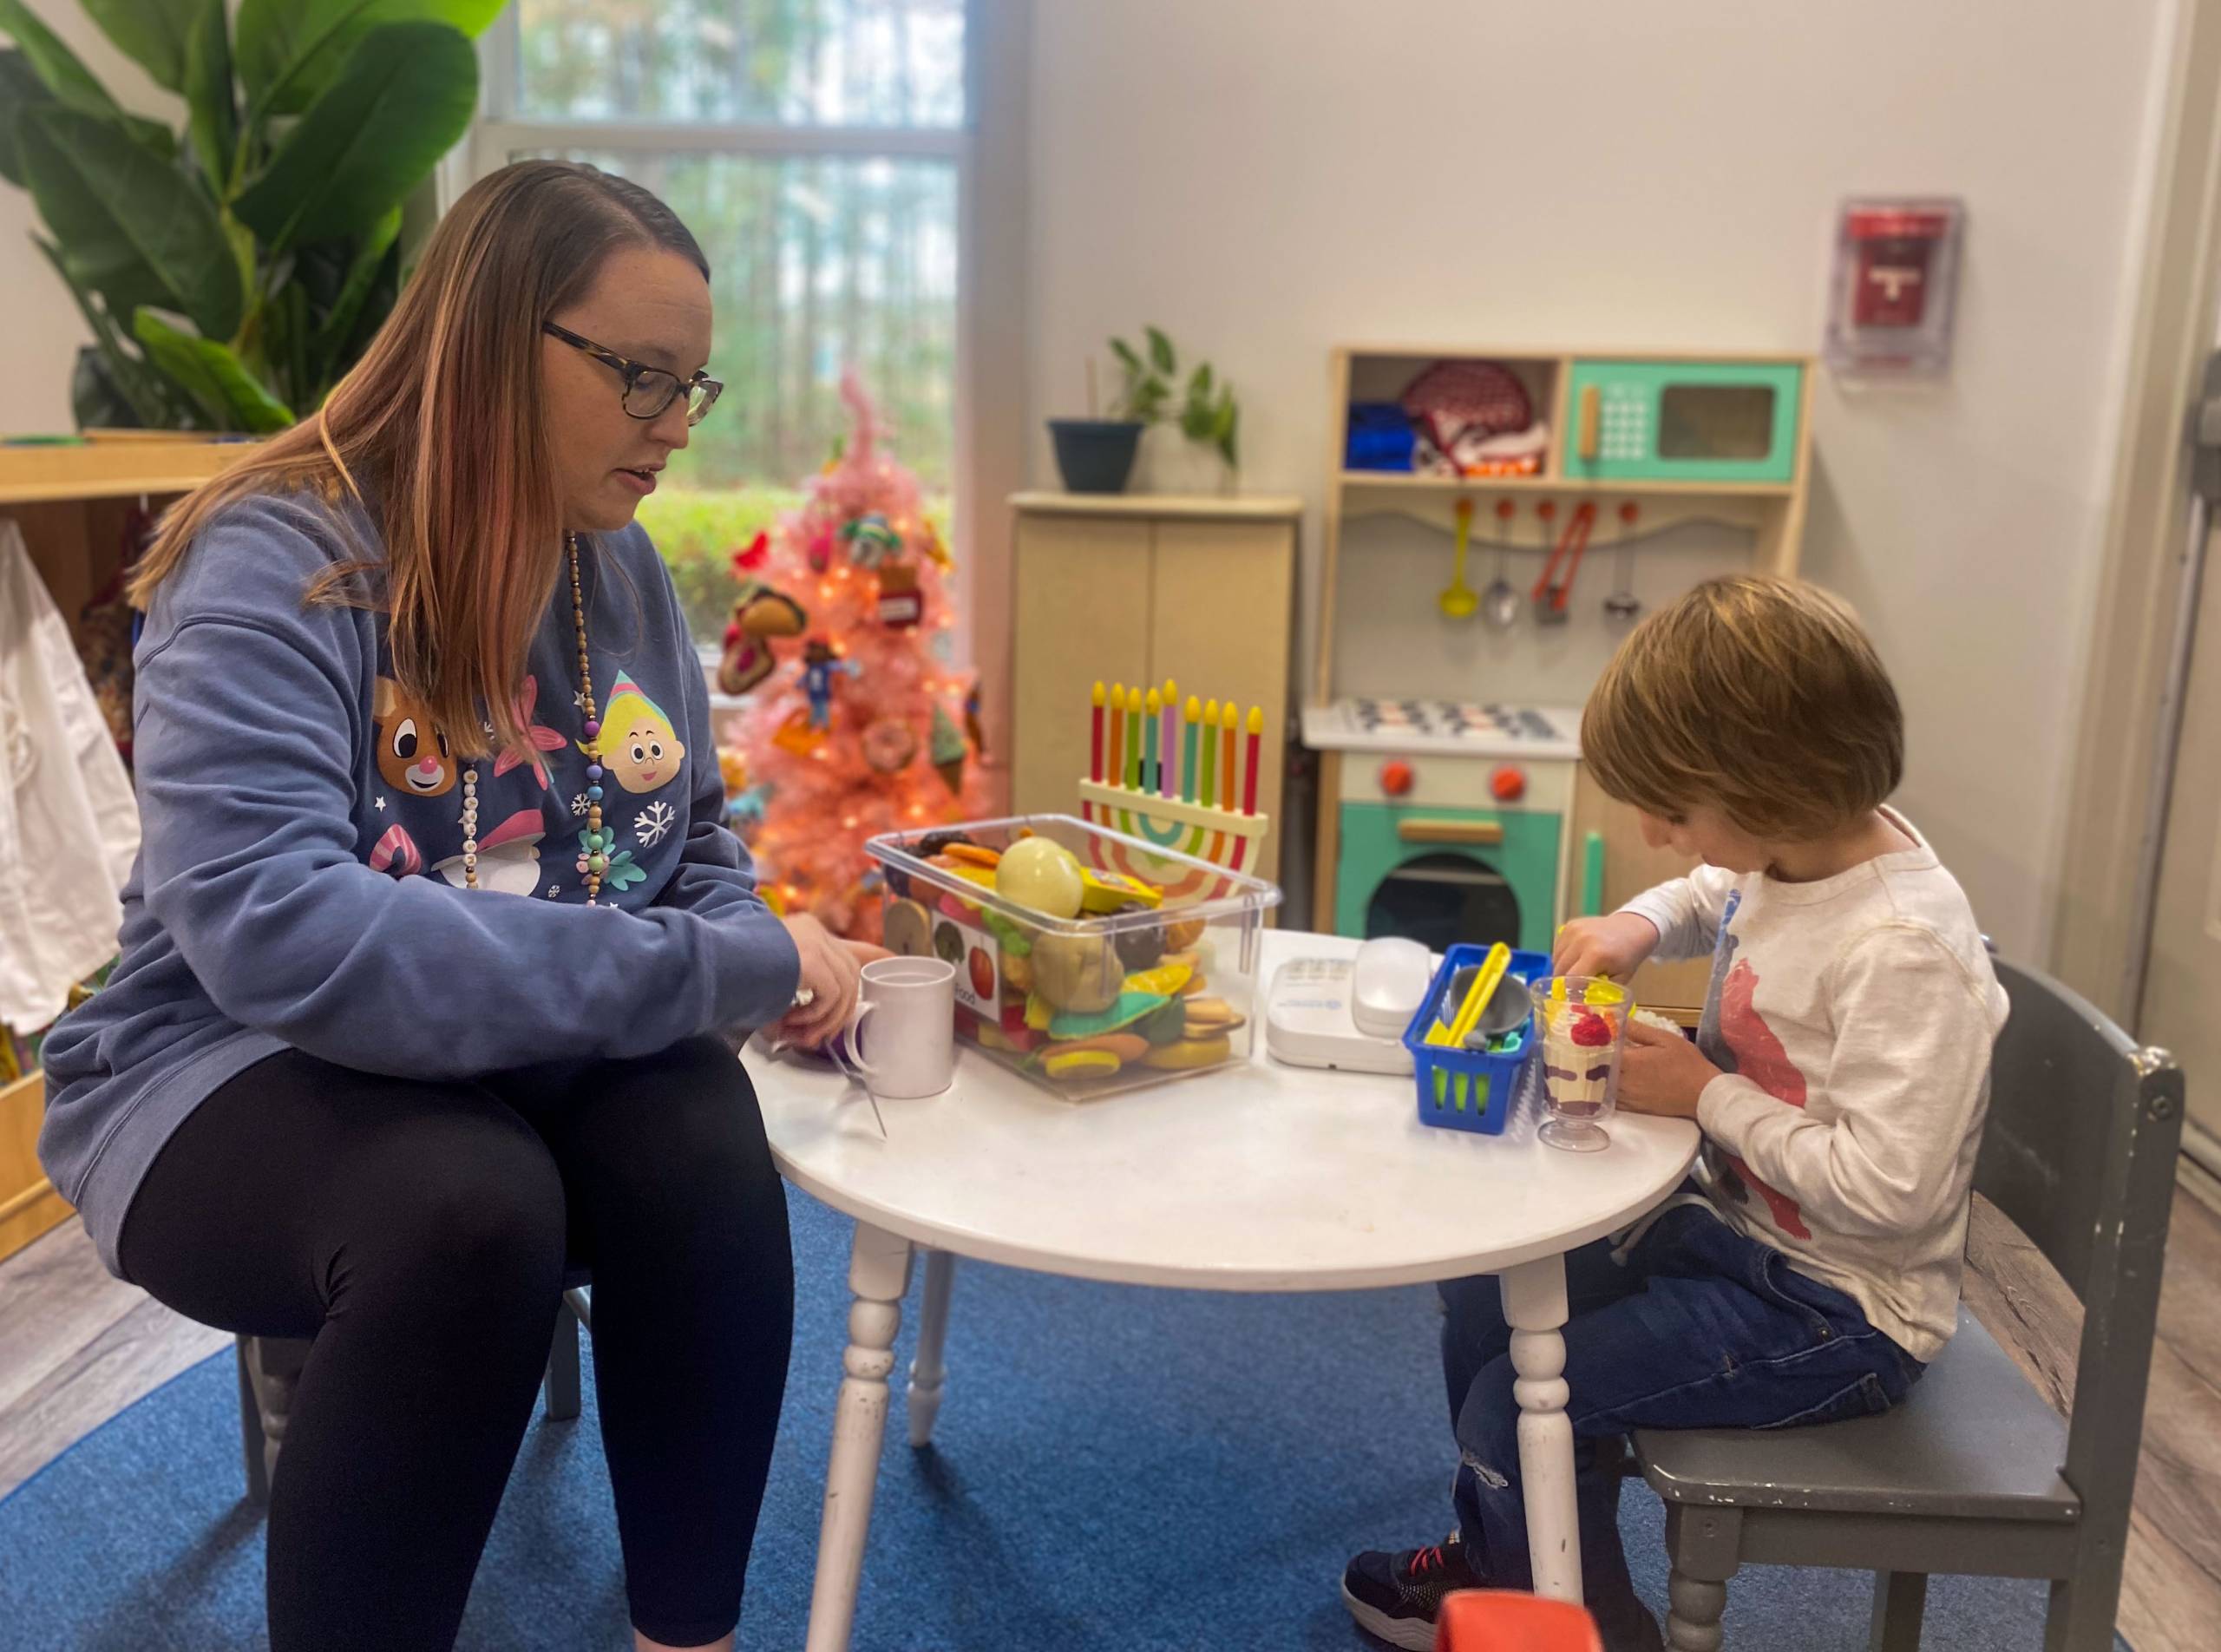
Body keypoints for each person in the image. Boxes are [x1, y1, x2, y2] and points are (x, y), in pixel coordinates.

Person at [38, 161, 874, 1652]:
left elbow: (688, 848)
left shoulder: (616, 572)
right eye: (642, 377)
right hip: (221, 1062)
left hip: (508, 1063)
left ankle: (690, 1631)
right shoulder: (274, 555)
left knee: (698, 1134)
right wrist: (716, 960)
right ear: (492, 341)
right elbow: (274, 927)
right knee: (466, 1207)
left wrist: (759, 961)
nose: (680, 424)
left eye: (696, 384)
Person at [1339, 575, 2008, 1650]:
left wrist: (1706, 1095)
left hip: (1837, 1311)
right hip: (1735, 1237)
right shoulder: (1798, 850)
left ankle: (1591, 1628)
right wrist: (1635, 925)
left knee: (1512, 1405)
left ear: (1774, 788)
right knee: (1486, 1283)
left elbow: (1890, 1194)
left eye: (1675, 810)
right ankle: (1510, 1556)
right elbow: (1714, 888)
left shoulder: (1903, 949)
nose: (1657, 834)